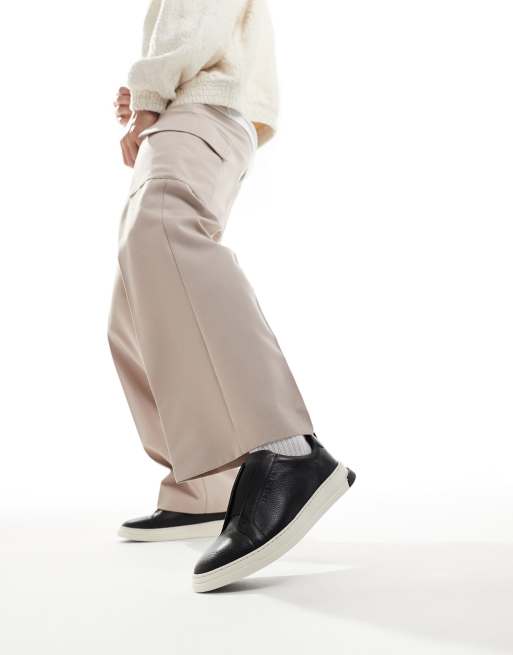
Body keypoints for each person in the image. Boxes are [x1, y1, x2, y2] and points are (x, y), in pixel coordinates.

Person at [108, 0, 355, 592]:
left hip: (200, 111)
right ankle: (204, 484)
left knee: (162, 235)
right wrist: (150, 89)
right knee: (137, 303)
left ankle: (286, 448)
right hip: (206, 112)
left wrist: (149, 94)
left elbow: (194, 16)